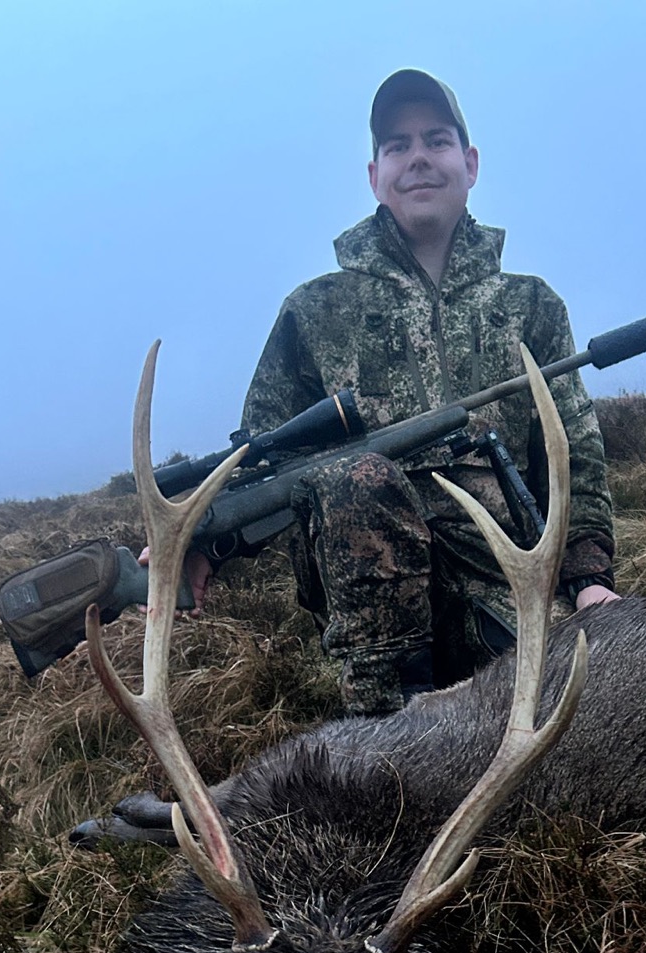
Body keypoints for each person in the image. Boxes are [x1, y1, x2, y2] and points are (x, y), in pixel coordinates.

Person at [195, 69, 619, 716]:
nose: (417, 157)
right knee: (356, 476)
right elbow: (262, 461)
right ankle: (385, 732)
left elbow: (575, 454)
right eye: (396, 145)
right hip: (372, 600)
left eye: (436, 140)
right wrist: (201, 536)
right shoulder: (313, 312)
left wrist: (590, 583)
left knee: (588, 713)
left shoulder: (532, 307)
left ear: (469, 164)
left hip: (505, 578)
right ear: (374, 175)